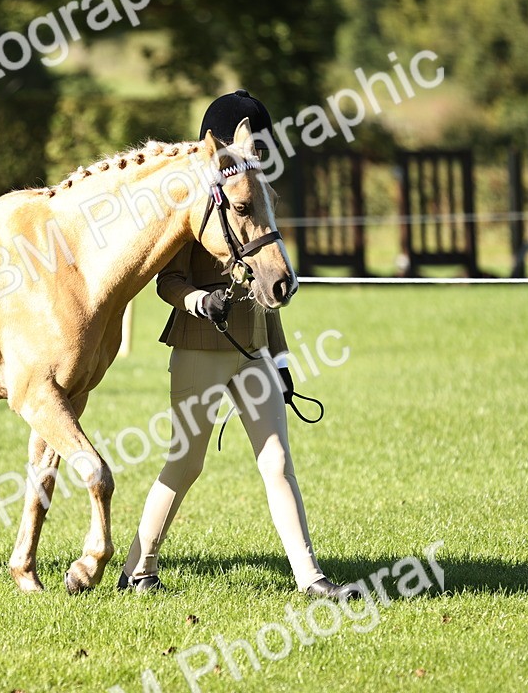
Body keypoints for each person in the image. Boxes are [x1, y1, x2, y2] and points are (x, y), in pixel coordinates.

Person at [117, 90, 355, 599]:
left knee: (277, 462)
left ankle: (310, 578)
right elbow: (168, 282)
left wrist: (283, 357)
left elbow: (267, 285)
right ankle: (138, 566)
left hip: (254, 351)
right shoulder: (192, 200)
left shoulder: (258, 193)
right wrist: (201, 301)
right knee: (186, 463)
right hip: (199, 349)